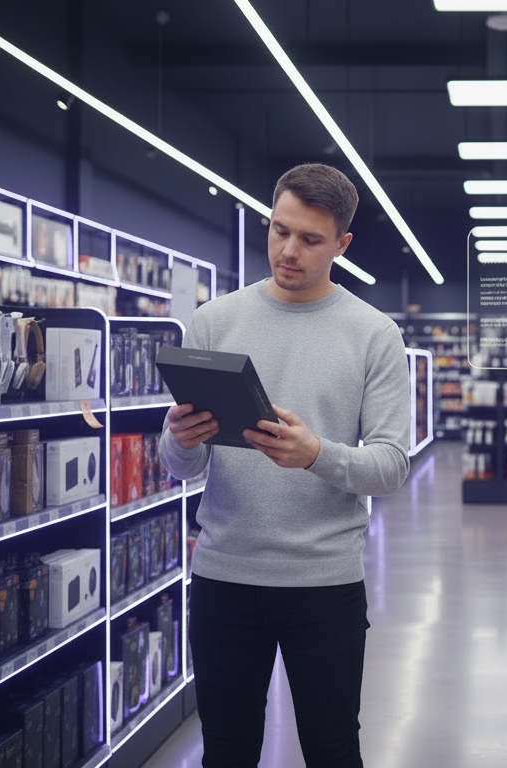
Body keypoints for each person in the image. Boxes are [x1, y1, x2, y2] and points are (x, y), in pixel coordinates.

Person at [160, 163, 411, 767]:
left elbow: (392, 465)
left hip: (323, 584)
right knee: (226, 750)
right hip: (223, 578)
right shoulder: (216, 320)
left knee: (330, 749)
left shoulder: (373, 334)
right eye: (279, 231)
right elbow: (180, 468)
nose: (288, 250)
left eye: (310, 239)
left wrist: (317, 454)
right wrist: (180, 438)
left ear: (342, 244)